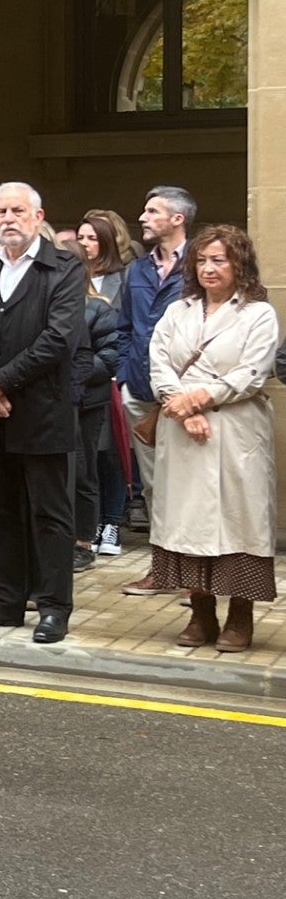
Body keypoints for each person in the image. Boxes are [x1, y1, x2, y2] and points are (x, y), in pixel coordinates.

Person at [0, 182, 86, 645]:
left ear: (37, 215)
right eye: (1, 211)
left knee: (50, 513)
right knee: (0, 511)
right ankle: (5, 600)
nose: (8, 218)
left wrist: (1, 382)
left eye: (17, 210)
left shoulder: (63, 267)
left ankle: (52, 607)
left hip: (42, 412)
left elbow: (59, 338)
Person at [144, 226, 279, 651]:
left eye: (218, 260)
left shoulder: (258, 314)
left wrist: (200, 398)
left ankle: (241, 617)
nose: (208, 268)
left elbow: (253, 371)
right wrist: (182, 408)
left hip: (235, 430)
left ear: (239, 264)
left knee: (239, 522)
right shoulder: (178, 310)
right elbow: (158, 360)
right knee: (187, 522)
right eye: (201, 260)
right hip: (182, 431)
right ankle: (201, 615)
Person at [117, 185, 193, 545]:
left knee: (190, 483)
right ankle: (162, 563)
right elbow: (125, 326)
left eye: (152, 212)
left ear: (177, 219)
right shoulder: (137, 269)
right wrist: (123, 378)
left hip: (187, 394)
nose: (142, 218)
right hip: (140, 389)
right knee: (151, 483)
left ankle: (192, 569)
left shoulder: (201, 264)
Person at [72, 284, 121, 572]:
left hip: (87, 403)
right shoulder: (45, 304)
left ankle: (83, 544)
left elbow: (110, 357)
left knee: (83, 470)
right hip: (51, 402)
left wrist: (70, 370)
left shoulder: (98, 308)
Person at [77, 212, 130, 306]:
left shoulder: (125, 278)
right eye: (80, 238)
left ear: (105, 243)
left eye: (92, 238)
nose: (84, 243)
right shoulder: (70, 277)